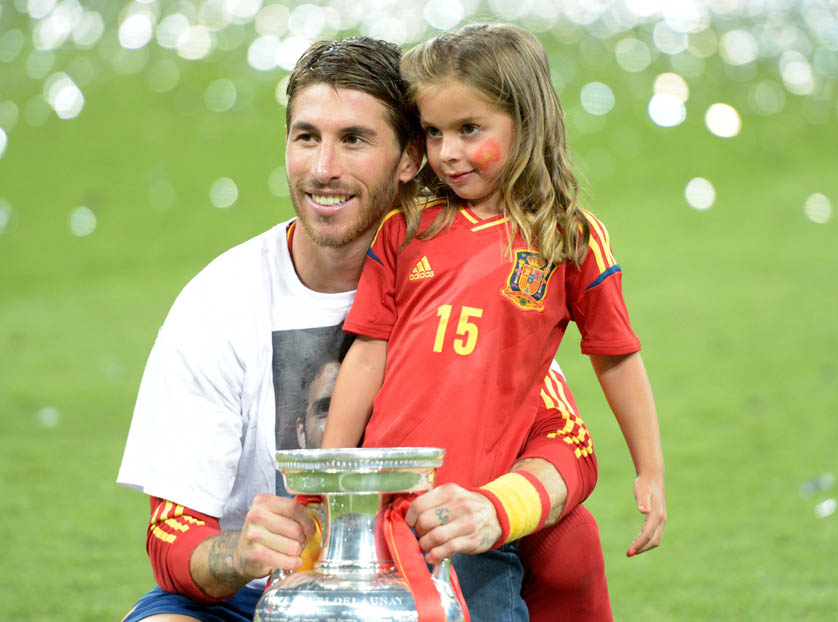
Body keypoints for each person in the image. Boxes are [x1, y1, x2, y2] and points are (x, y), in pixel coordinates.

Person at [117, 37, 619, 622]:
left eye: (354, 140)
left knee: (567, 537)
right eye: (307, 137)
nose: (323, 168)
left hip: (414, 584)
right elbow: (170, 538)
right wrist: (240, 552)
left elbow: (567, 443)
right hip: (262, 596)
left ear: (410, 158)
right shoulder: (218, 303)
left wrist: (494, 507)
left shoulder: (469, 275)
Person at [322, 22, 667, 621]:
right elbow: (368, 353)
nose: (448, 152)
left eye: (469, 129)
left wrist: (651, 471)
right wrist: (331, 478)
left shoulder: (568, 239)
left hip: (473, 528)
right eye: (433, 133)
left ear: (526, 123)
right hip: (381, 519)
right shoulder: (405, 231)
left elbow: (615, 355)